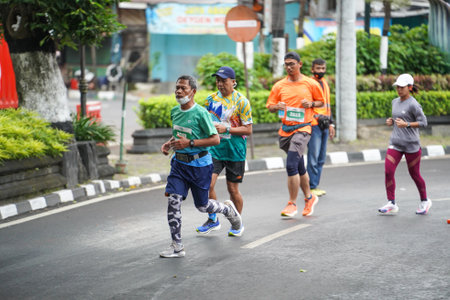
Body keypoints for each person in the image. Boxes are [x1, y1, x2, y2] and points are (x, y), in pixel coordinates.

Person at [159, 75, 242, 258]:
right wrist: (169, 143)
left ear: (193, 92)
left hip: (200, 166)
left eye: (183, 88)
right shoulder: (175, 111)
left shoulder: (201, 113)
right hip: (179, 165)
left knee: (203, 206)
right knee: (173, 200)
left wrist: (190, 144)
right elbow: (179, 135)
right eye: (177, 88)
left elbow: (215, 139)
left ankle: (227, 210)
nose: (179, 91)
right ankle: (177, 247)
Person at [196, 66, 252, 237]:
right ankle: (213, 219)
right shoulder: (210, 99)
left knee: (232, 190)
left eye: (224, 80)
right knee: (207, 185)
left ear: (233, 82)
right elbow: (205, 122)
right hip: (214, 150)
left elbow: (248, 129)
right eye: (218, 80)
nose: (220, 84)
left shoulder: (242, 101)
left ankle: (237, 222)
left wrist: (226, 128)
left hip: (235, 150)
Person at [266, 52, 324, 218]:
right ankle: (309, 198)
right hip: (285, 130)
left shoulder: (310, 83)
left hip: (303, 128)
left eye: (292, 63)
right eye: (286, 64)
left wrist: (311, 104)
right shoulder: (279, 86)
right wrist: (277, 106)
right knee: (299, 166)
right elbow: (269, 106)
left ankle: (291, 203)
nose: (289, 67)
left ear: (300, 64)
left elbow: (321, 102)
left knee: (291, 164)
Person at [378, 73, 431, 215]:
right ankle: (391, 203)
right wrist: (391, 121)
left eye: (402, 87)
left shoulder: (414, 104)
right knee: (388, 171)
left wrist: (407, 124)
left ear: (410, 87)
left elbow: (424, 123)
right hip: (395, 143)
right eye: (397, 87)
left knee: (414, 174)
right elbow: (397, 120)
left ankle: (425, 201)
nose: (399, 90)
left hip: (411, 145)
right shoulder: (394, 102)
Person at [307, 58, 335, 197]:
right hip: (314, 125)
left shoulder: (325, 83)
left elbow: (328, 105)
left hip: (325, 124)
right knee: (313, 156)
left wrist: (331, 123)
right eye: (318, 68)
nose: (321, 71)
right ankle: (311, 187)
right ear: (312, 69)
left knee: (321, 157)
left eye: (323, 68)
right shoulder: (309, 83)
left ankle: (315, 185)